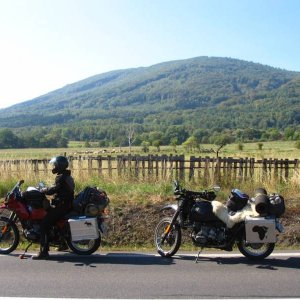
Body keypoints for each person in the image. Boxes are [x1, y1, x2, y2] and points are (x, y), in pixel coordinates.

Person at [32, 156, 75, 260]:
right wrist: (47, 188)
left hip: (61, 206)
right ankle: (62, 243)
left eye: (55, 165)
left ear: (60, 166)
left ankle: (44, 252)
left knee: (44, 225)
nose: (54, 166)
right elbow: (57, 187)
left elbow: (54, 189)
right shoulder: (65, 175)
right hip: (65, 205)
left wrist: (43, 190)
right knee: (52, 222)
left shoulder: (61, 177)